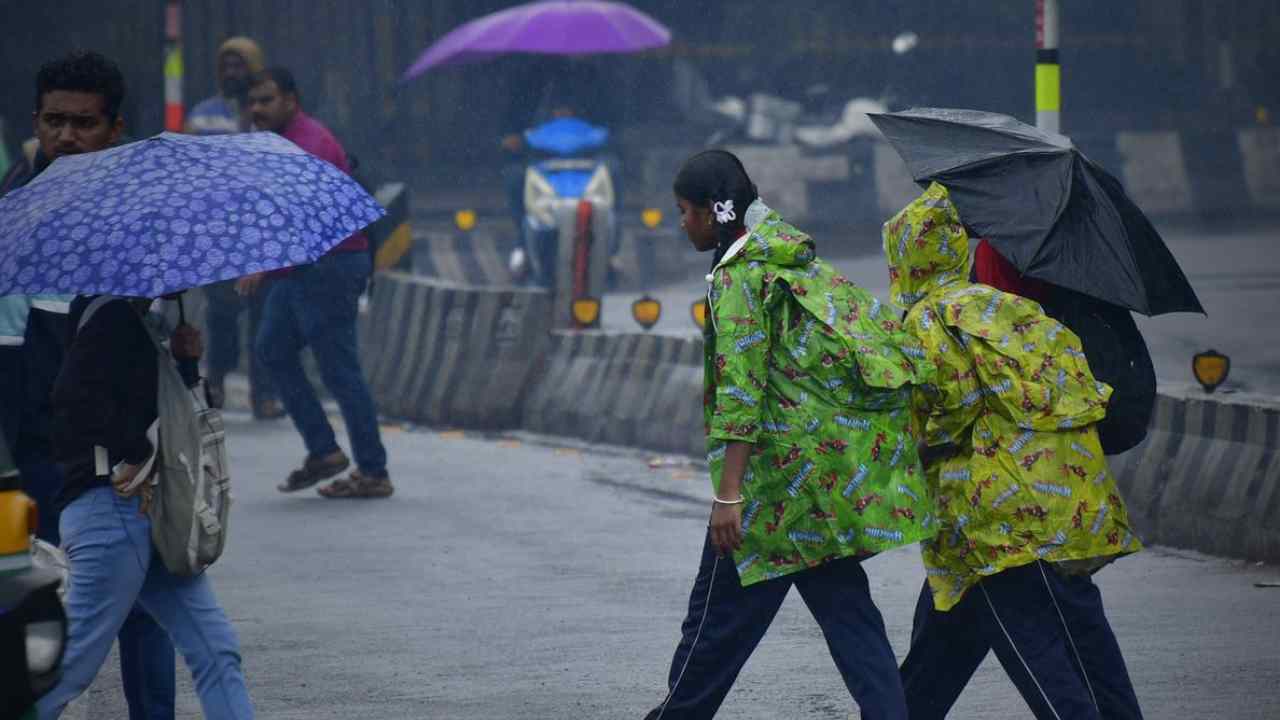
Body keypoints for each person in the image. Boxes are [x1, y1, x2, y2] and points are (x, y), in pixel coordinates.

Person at [645, 150, 935, 719]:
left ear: (712, 211)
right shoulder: (793, 260)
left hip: (771, 493)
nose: (682, 223)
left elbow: (741, 390)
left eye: (684, 211)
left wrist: (729, 495)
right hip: (821, 491)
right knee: (851, 619)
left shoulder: (739, 278)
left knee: (713, 629)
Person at [884, 183, 1145, 720]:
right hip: (1062, 496)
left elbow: (948, 407)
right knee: (1060, 636)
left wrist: (907, 444)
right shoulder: (1005, 307)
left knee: (1040, 653)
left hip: (999, 520)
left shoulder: (928, 320)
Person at [1, 50, 177, 720]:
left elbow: (159, 335)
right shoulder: (12, 212)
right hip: (35, 452)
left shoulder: (148, 215)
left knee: (147, 608)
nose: (66, 135)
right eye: (54, 121)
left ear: (115, 127)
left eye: (83, 122)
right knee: (33, 607)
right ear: (36, 122)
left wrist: (182, 350)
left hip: (132, 452)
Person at [237, 67, 392, 499]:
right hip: (299, 271)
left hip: (332, 266)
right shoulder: (274, 143)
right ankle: (324, 450)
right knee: (271, 348)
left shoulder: (312, 144)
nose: (257, 109)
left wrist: (263, 264)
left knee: (340, 371)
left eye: (266, 100)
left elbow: (307, 221)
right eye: (252, 101)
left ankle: (373, 470)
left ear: (291, 100)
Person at [185, 36, 282, 419]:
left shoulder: (268, 115)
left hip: (261, 233)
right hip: (218, 234)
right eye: (225, 66)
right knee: (222, 315)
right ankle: (218, 378)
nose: (231, 73)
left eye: (238, 65)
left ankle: (264, 394)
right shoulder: (203, 115)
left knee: (266, 318)